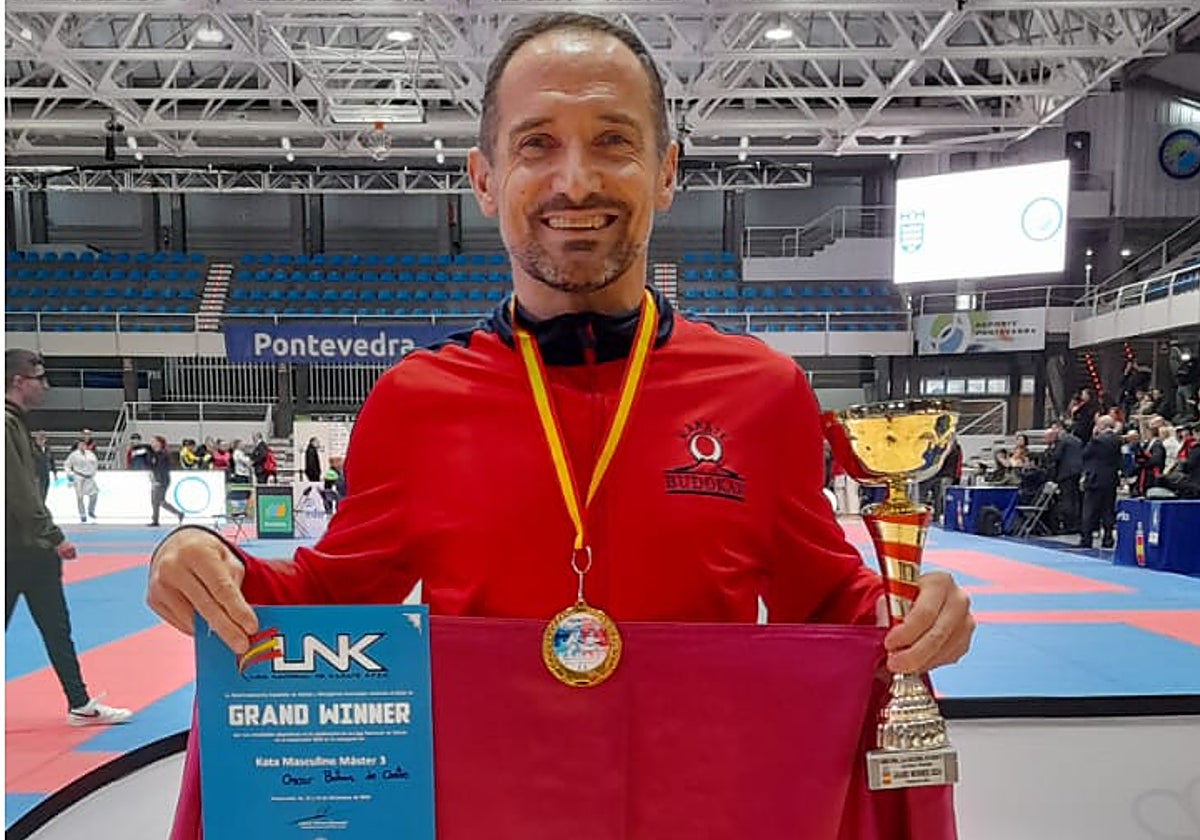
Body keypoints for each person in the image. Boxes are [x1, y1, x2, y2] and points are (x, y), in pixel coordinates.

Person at [148, 8, 972, 720]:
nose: (575, 182)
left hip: (704, 805)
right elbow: (329, 602)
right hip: (489, 808)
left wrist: (913, 606)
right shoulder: (416, 401)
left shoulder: (762, 392)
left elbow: (825, 599)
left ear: (666, 172)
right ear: (484, 178)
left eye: (613, 142)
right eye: (536, 144)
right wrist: (201, 559)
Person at [5, 349, 133, 726]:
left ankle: (78, 702)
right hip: (15, 547)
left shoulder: (18, 424)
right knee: (53, 627)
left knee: (58, 628)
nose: (44, 386)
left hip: (33, 549)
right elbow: (18, 490)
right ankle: (78, 701)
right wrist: (54, 534)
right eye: (38, 379)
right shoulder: (6, 425)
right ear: (18, 381)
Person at [1079, 415, 1122, 548]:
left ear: (1101, 426)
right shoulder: (1117, 440)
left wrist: (1093, 436)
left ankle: (1086, 539)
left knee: (1090, 511)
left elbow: (1085, 454)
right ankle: (1108, 538)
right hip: (1111, 480)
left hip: (1095, 480)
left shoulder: (1097, 440)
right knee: (1108, 511)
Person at [1043, 421, 1082, 533]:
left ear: (1060, 429)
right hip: (1077, 471)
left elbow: (1056, 456)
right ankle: (1077, 523)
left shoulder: (1062, 440)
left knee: (1067, 500)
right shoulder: (1076, 440)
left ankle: (1069, 525)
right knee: (1075, 499)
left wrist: (1050, 449)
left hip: (1065, 473)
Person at [148, 435, 185, 527]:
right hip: (157, 478)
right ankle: (156, 519)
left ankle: (158, 519)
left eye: (153, 441)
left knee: (159, 500)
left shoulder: (163, 454)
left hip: (162, 479)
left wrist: (158, 480)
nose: (152, 443)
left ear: (159, 443)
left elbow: (162, 468)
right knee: (156, 500)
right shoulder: (154, 454)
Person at [64, 438, 100, 523]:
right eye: (80, 444)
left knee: (94, 495)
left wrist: (93, 472)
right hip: (79, 477)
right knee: (80, 497)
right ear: (78, 445)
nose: (82, 446)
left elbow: (96, 463)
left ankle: (91, 511)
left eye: (84, 444)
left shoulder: (90, 454)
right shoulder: (74, 455)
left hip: (89, 477)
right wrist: (69, 474)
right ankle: (82, 514)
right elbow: (67, 464)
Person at [32, 429, 55, 500]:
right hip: (36, 474)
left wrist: (54, 472)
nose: (41, 440)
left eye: (43, 438)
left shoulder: (48, 449)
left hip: (46, 473)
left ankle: (42, 505)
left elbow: (51, 461)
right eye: (39, 438)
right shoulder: (32, 449)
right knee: (38, 493)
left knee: (44, 492)